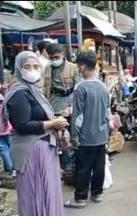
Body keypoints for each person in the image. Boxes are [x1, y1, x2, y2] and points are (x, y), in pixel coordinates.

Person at [3, 51, 69, 216]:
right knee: (36, 194)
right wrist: (53, 123)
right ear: (18, 69)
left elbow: (38, 116)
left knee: (48, 192)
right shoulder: (18, 93)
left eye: (36, 67)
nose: (32, 71)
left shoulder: (33, 91)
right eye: (27, 67)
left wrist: (57, 119)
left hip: (43, 147)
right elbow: (23, 125)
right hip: (31, 150)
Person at [64, 51, 110, 208]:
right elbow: (107, 112)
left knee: (83, 168)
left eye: (78, 66)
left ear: (82, 66)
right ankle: (97, 194)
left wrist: (74, 136)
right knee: (99, 167)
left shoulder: (80, 88)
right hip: (101, 134)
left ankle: (80, 198)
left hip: (86, 136)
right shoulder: (103, 87)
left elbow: (78, 116)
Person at [43, 43, 81, 182]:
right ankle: (64, 168)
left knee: (73, 138)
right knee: (59, 141)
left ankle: (73, 166)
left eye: (56, 57)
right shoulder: (47, 68)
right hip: (53, 109)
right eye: (51, 58)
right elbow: (44, 88)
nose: (54, 60)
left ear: (63, 55)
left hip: (70, 109)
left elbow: (78, 89)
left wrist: (72, 106)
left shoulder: (73, 68)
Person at [0, 80, 14, 176]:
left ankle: (10, 168)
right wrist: (3, 87)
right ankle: (15, 166)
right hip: (5, 125)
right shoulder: (0, 97)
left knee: (3, 149)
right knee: (11, 146)